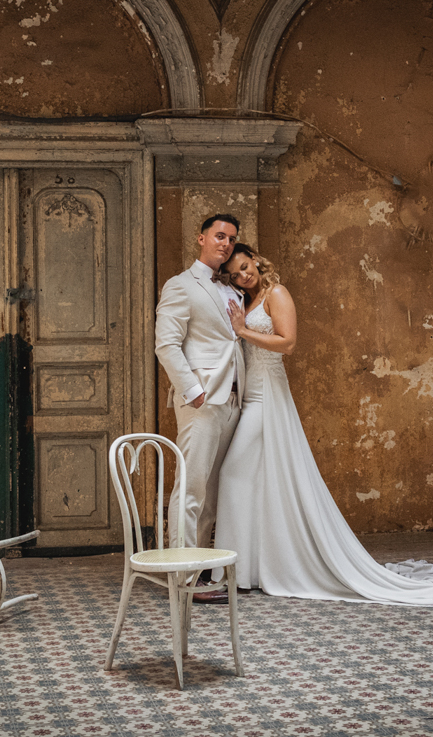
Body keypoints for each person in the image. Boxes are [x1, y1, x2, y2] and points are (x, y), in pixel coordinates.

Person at [215, 243, 433, 606]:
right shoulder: (245, 299)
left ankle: (233, 569)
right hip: (250, 393)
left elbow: (287, 343)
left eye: (245, 267)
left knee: (231, 473)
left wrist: (243, 331)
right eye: (235, 274)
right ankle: (249, 570)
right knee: (257, 479)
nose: (243, 276)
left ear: (256, 260)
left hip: (269, 395)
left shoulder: (277, 293)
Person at [154, 214, 246, 604]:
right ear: (202, 238)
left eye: (232, 239)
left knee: (210, 492)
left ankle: (201, 571)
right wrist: (192, 391)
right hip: (203, 400)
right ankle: (183, 579)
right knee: (190, 488)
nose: (226, 243)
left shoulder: (232, 288)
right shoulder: (180, 285)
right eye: (219, 236)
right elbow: (166, 344)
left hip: (233, 399)